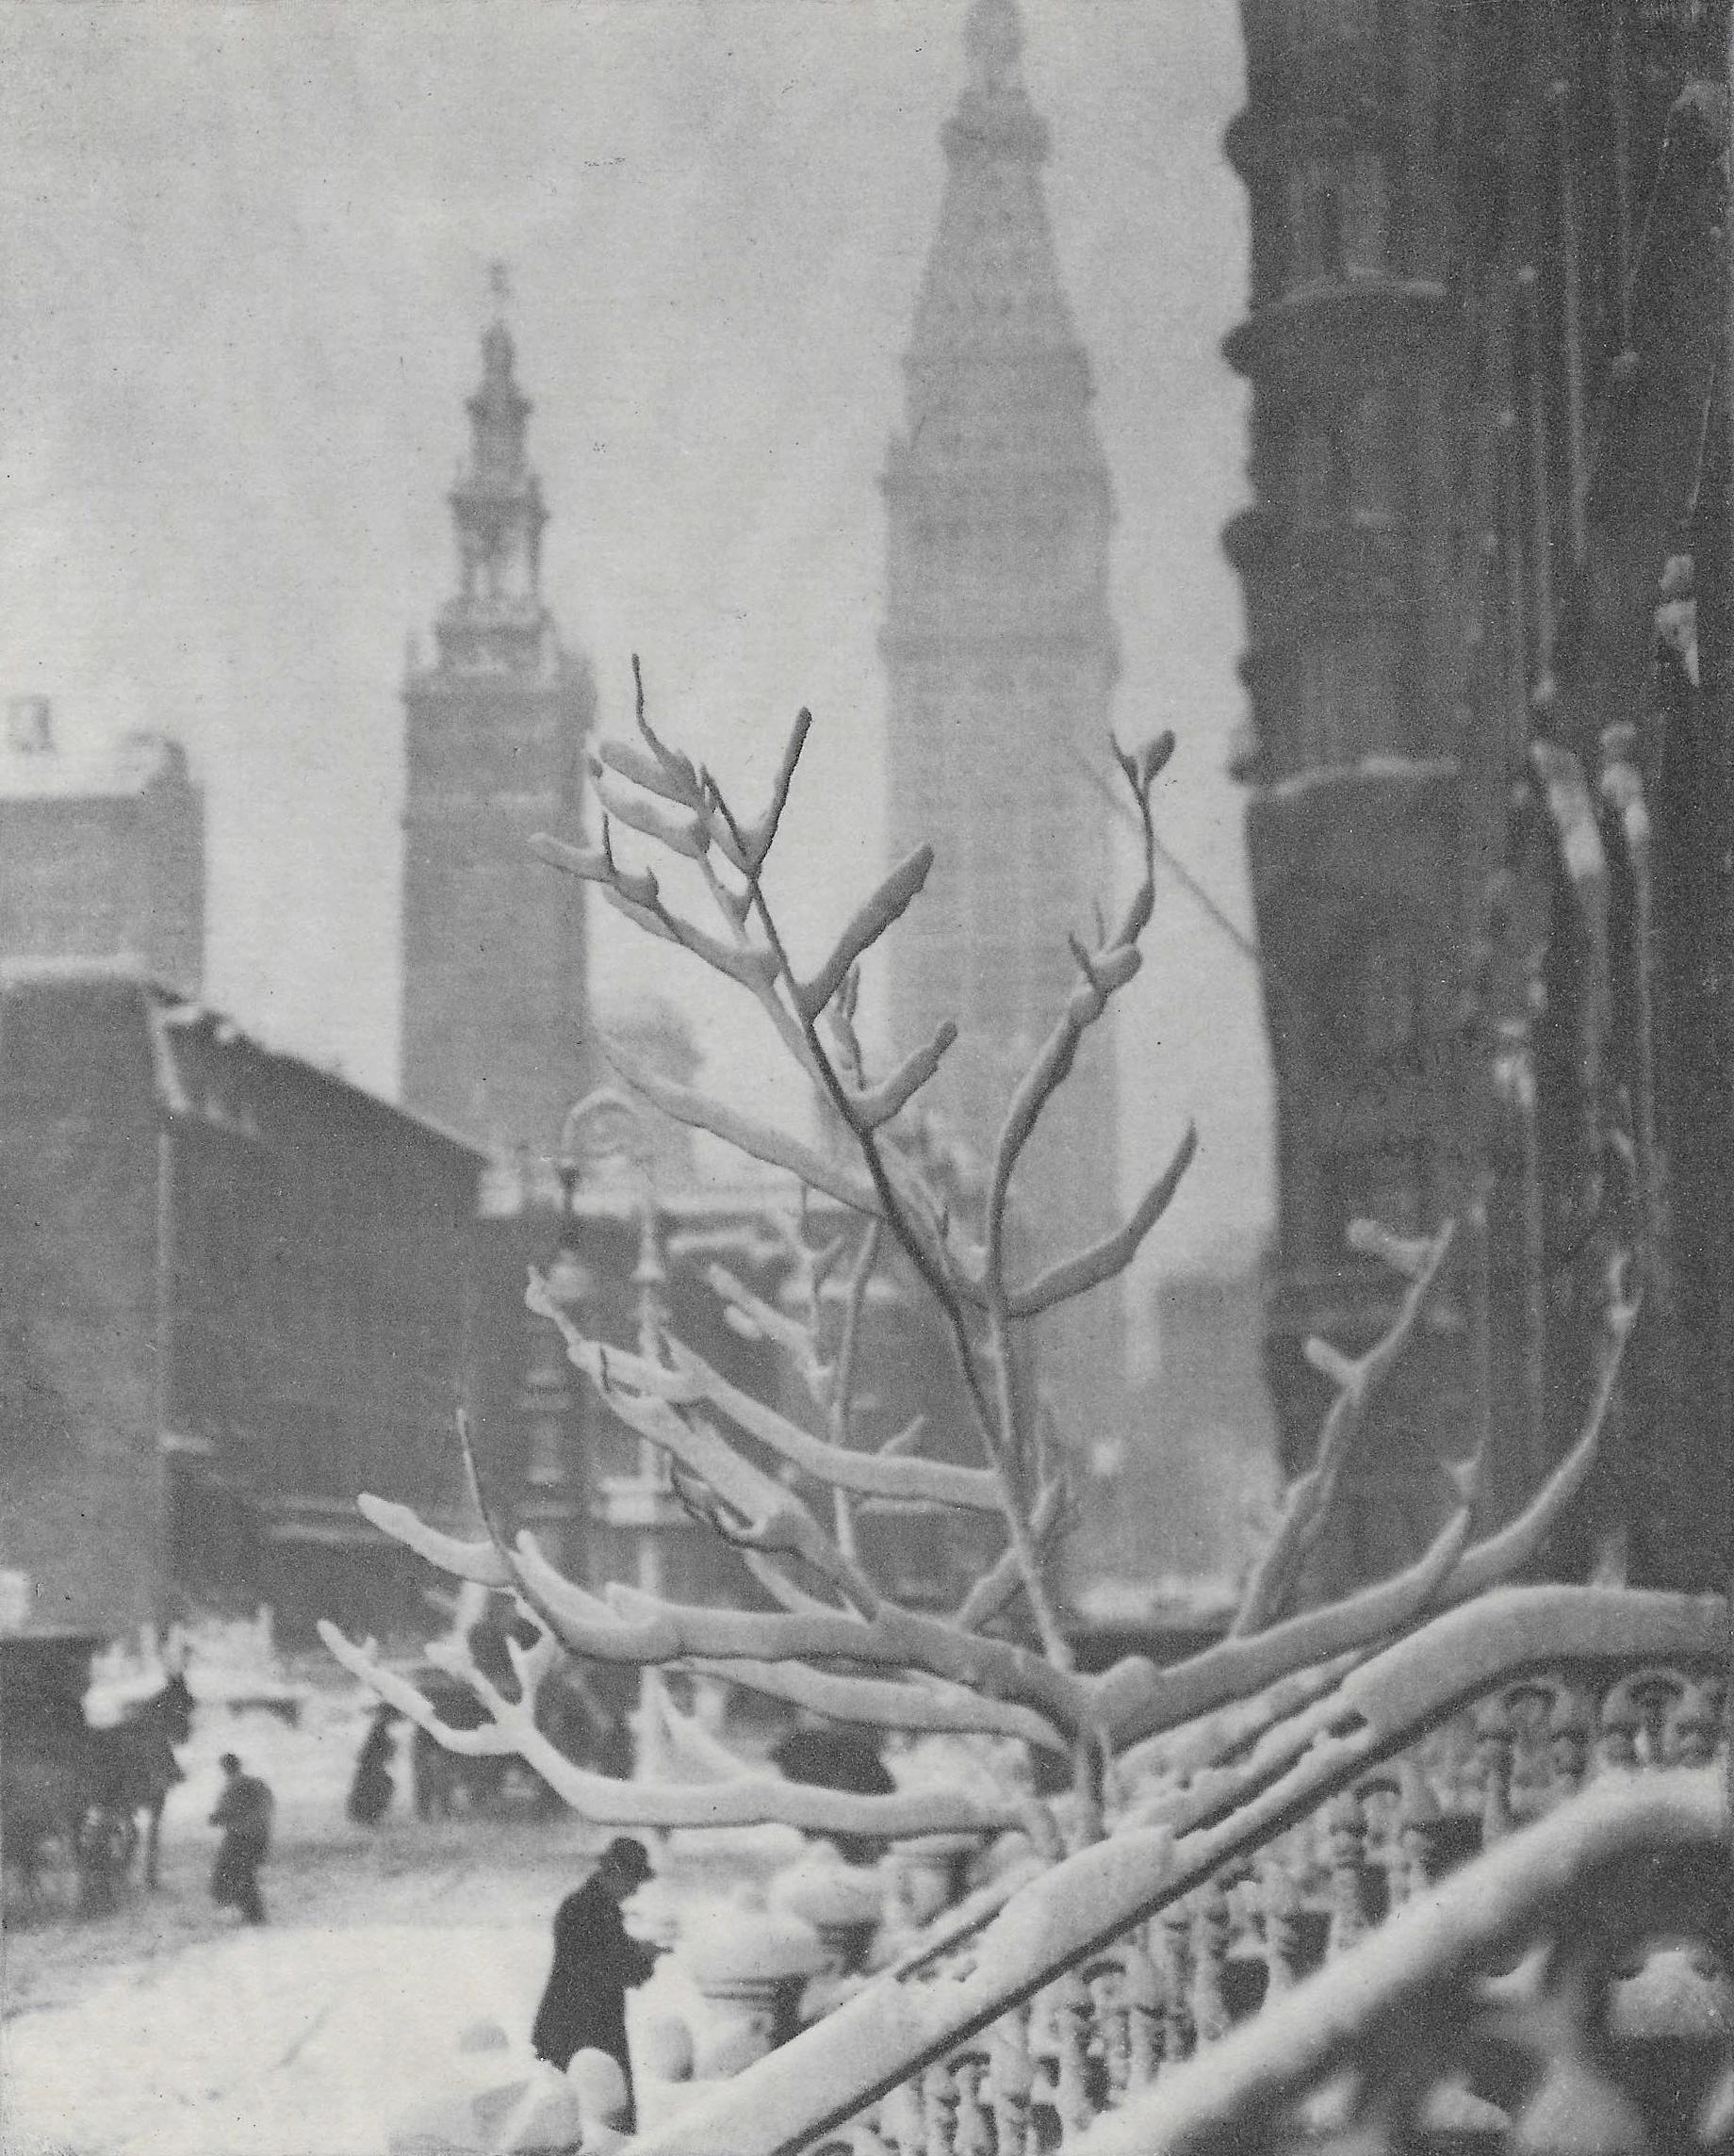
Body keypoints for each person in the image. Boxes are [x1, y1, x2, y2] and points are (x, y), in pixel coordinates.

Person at [531, 1838, 660, 2127]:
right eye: (634, 1880)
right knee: (600, 2118)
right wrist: (643, 1957)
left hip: (570, 2025)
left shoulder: (588, 1905)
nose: (635, 1889)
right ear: (617, 1874)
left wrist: (636, 1953)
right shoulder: (593, 1910)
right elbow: (607, 1968)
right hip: (584, 2028)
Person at [209, 1751, 273, 1925]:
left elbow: (227, 1812)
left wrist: (216, 1818)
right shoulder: (257, 1784)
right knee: (244, 1876)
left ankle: (254, 1918)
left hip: (240, 1837)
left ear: (225, 1768)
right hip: (259, 1837)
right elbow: (266, 1807)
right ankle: (254, 1917)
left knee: (232, 1876)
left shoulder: (233, 1786)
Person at [346, 1706, 397, 1826]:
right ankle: (368, 1816)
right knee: (377, 1788)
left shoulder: (379, 1728)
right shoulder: (379, 1729)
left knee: (378, 1787)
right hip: (372, 1766)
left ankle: (367, 1815)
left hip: (372, 1766)